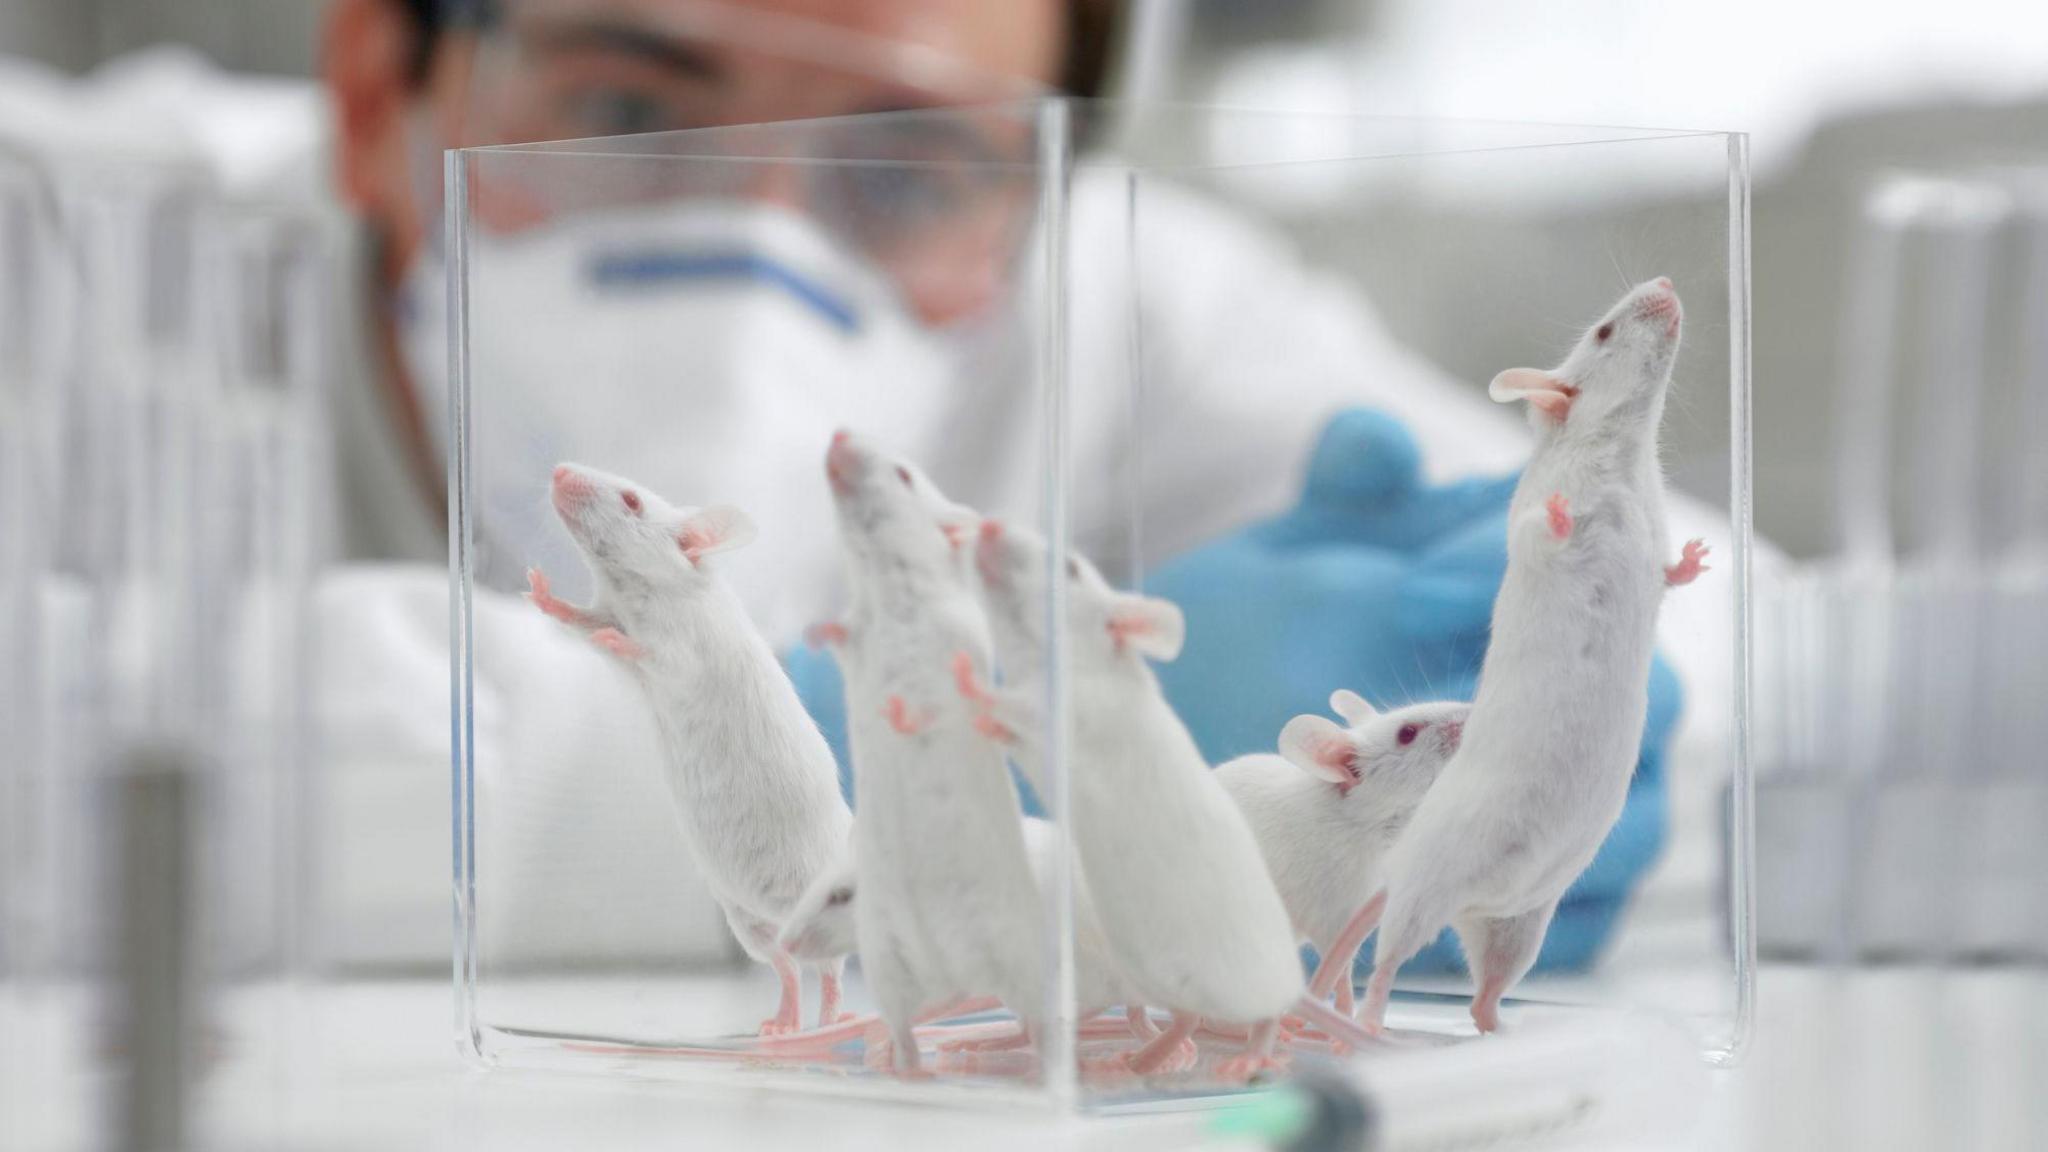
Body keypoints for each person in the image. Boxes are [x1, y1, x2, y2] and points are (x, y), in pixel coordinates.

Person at [313, 0, 1703, 979]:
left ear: (1038, 200)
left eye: (905, 171)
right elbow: (122, 794)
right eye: (620, 112)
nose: (755, 242)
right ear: (379, 90)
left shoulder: (1119, 289)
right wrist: (856, 767)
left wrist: (1545, 715)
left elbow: (1796, 653)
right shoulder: (117, 254)